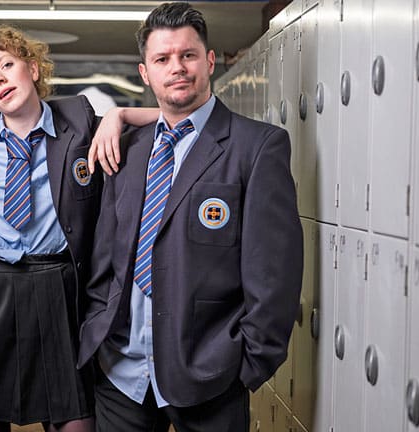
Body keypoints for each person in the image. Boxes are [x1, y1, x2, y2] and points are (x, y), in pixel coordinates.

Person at [77, 3, 304, 432]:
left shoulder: (257, 148)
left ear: (210, 60)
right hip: (120, 371)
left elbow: (274, 273)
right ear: (145, 73)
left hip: (210, 374)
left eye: (188, 55)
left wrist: (249, 366)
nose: (176, 67)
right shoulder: (127, 151)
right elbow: (106, 255)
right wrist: (96, 328)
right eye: (162, 59)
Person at [0, 25, 158, 432]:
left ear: (34, 68)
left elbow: (174, 117)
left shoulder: (78, 120)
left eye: (6, 65)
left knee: (75, 419)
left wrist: (120, 115)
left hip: (57, 288)